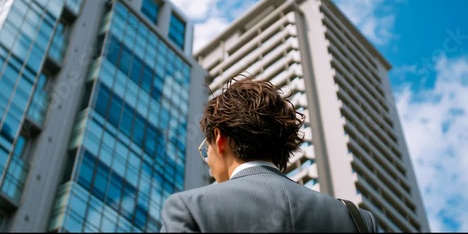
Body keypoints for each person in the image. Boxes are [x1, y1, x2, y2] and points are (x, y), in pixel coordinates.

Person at [160, 76, 378, 232]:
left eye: (206, 150)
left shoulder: (190, 208)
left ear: (219, 138)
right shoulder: (357, 219)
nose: (208, 161)